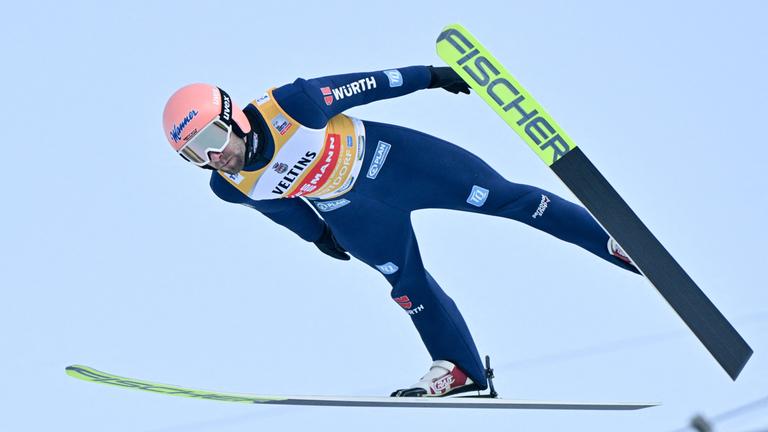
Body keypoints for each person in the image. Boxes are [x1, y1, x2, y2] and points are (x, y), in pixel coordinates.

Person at [161, 65, 639, 397]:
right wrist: (317, 236)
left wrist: (430, 77)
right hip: (353, 213)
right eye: (193, 155)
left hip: (397, 162)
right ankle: (462, 371)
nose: (211, 157)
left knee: (505, 198)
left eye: (210, 140)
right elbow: (277, 207)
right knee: (406, 284)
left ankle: (614, 244)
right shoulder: (228, 186)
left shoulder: (294, 105)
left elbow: (370, 84)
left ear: (233, 119)